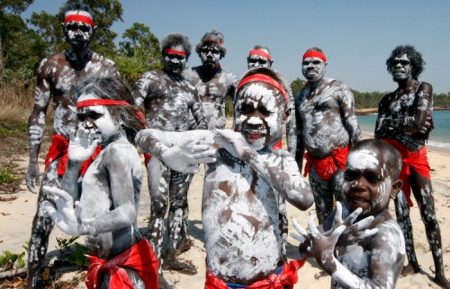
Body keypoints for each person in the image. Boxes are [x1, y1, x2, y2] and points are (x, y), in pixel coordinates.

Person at [136, 67, 314, 288]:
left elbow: (303, 198)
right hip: (220, 280)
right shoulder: (217, 142)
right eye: (246, 109)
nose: (254, 121)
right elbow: (144, 135)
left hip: (269, 278)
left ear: (285, 115)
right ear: (235, 107)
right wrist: (167, 154)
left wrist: (246, 153)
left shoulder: (280, 159)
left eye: (265, 112)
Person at [25, 3, 119, 287]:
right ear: (63, 28)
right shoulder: (50, 66)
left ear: (93, 30)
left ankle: (104, 276)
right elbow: (38, 112)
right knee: (43, 218)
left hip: (96, 150)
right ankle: (33, 279)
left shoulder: (106, 67)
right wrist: (32, 160)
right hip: (63, 150)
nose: (78, 33)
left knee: (103, 220)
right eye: (73, 27)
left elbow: (116, 113)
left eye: (83, 27)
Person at [39, 77, 162, 289]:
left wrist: (82, 226)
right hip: (108, 261)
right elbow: (72, 198)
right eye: (81, 116)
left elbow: (126, 213)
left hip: (123, 265)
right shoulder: (102, 153)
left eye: (94, 115)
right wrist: (74, 163)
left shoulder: (117, 152)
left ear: (120, 117)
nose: (86, 122)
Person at [375, 45, 450, 288]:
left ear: (413, 66)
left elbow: (419, 123)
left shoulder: (423, 88)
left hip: (416, 158)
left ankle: (439, 272)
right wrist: (410, 123)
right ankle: (412, 262)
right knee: (402, 215)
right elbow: (379, 133)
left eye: (404, 63)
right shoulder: (387, 99)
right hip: (395, 162)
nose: (399, 66)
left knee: (429, 215)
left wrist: (396, 124)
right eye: (395, 62)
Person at [133, 33, 207, 275]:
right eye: (171, 56)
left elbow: (200, 121)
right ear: (163, 55)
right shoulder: (150, 79)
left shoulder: (189, 86)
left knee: (178, 204)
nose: (175, 61)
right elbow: (132, 109)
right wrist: (145, 138)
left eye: (181, 57)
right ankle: (152, 264)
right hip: (158, 151)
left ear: (186, 59)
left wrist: (199, 148)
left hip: (184, 152)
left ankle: (171, 254)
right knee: (158, 204)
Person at [294, 139, 405, 289]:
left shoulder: (385, 234)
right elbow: (322, 235)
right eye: (351, 175)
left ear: (394, 188)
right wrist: (310, 244)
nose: (358, 185)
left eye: (372, 178)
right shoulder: (345, 211)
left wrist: (330, 264)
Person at [295, 47, 361, 223]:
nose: (310, 66)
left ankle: (348, 249)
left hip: (340, 161)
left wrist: (359, 162)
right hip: (316, 165)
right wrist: (296, 165)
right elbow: (299, 133)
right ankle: (327, 249)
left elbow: (352, 124)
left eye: (315, 62)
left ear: (325, 65)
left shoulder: (338, 88)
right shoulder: (300, 96)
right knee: (322, 211)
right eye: (306, 63)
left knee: (345, 209)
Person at [246, 44, 298, 258]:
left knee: (278, 204)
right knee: (250, 202)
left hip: (273, 154)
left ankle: (281, 248)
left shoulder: (282, 84)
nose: (256, 65)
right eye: (252, 60)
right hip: (247, 156)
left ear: (270, 64)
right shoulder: (244, 83)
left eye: (261, 61)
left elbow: (291, 124)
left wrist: (291, 158)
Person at [183, 30, 237, 130]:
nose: (209, 54)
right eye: (205, 51)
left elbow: (239, 107)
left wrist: (232, 130)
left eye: (215, 52)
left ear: (221, 54)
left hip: (217, 136)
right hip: (190, 136)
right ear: (199, 53)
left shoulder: (228, 78)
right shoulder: (187, 75)